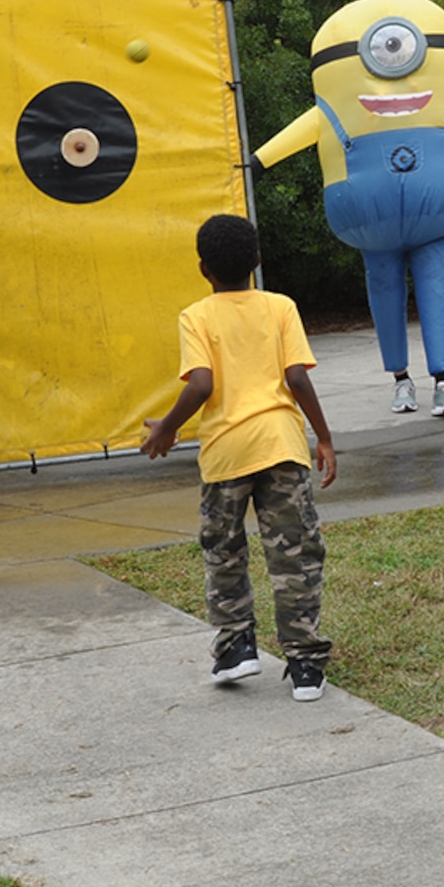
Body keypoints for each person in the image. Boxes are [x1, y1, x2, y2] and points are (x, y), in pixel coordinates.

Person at [141, 214, 337, 701]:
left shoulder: (197, 316)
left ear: (203, 268)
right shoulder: (281, 307)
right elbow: (297, 378)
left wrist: (166, 427)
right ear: (257, 261)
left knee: (225, 553)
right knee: (294, 556)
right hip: (282, 446)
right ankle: (306, 665)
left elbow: (202, 385)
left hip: (226, 453)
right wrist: (325, 438)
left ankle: (235, 649)